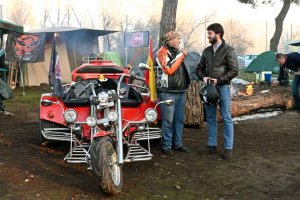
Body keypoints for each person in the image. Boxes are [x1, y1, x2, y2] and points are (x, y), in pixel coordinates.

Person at [196, 23, 238, 160]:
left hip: (223, 87)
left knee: (226, 117)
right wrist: (203, 77)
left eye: (210, 33)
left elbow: (234, 70)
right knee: (211, 117)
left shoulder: (228, 50)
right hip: (209, 88)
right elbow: (199, 68)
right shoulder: (206, 51)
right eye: (208, 33)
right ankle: (212, 145)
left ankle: (228, 149)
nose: (208, 36)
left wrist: (219, 81)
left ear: (218, 34)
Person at [156, 31, 191, 155]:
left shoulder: (177, 53)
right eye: (177, 39)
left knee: (179, 120)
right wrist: (181, 56)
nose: (180, 41)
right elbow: (169, 69)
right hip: (167, 92)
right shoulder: (162, 52)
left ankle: (178, 144)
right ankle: (166, 145)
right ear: (170, 41)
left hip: (180, 91)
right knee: (168, 121)